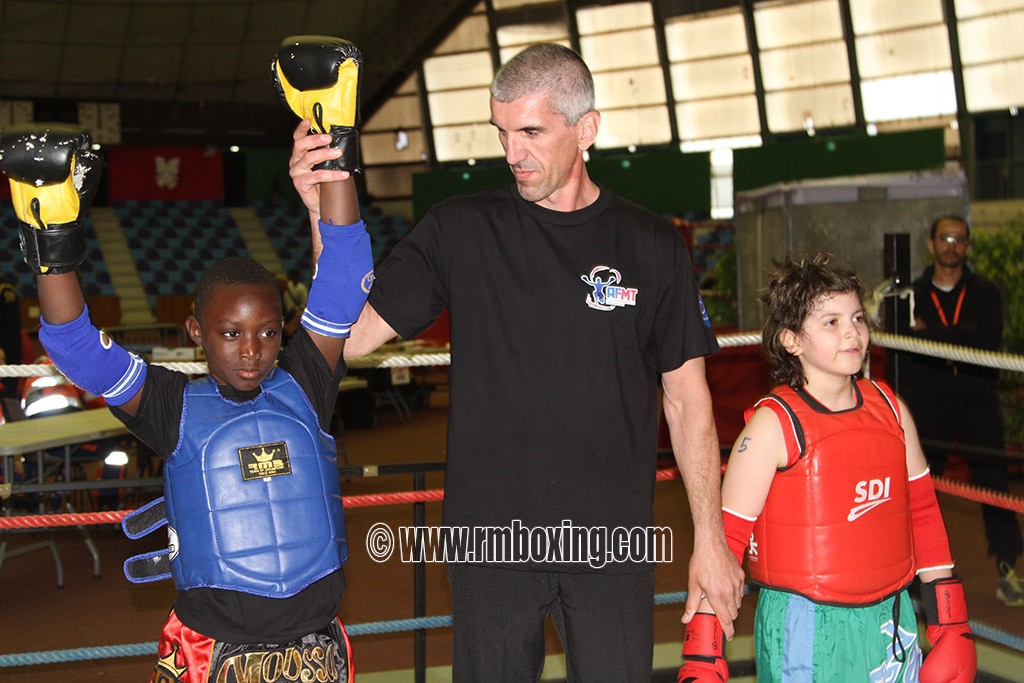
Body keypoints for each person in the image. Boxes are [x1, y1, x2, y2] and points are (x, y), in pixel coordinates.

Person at [292, 43, 742, 681]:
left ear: (586, 128)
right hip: (491, 542)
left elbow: (687, 398)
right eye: (502, 133)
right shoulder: (460, 229)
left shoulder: (651, 244)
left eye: (531, 132)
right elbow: (356, 332)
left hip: (612, 542)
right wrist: (323, 210)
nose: (512, 154)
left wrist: (712, 541)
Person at [0, 121, 372, 682]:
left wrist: (335, 144)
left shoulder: (305, 383)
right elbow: (76, 346)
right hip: (211, 649)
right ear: (196, 331)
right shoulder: (171, 405)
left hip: (315, 646)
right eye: (230, 333)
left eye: (268, 333)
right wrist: (55, 244)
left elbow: (345, 279)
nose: (251, 352)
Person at [679, 252, 976, 682]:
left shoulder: (892, 410)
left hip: (890, 617)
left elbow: (924, 514)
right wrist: (702, 652)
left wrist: (952, 621)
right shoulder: (772, 427)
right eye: (831, 322)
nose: (852, 333)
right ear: (791, 340)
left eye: (857, 318)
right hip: (806, 625)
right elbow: (723, 542)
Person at [905, 215, 1023, 607]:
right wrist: (959, 334)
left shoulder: (986, 293)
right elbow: (908, 342)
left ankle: (1008, 569)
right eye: (945, 238)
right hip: (930, 401)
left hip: (977, 398)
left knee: (994, 482)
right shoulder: (913, 294)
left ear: (967, 247)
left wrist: (932, 334)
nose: (951, 245)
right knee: (922, 488)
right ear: (932, 243)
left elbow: (986, 339)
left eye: (959, 239)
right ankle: (920, 578)